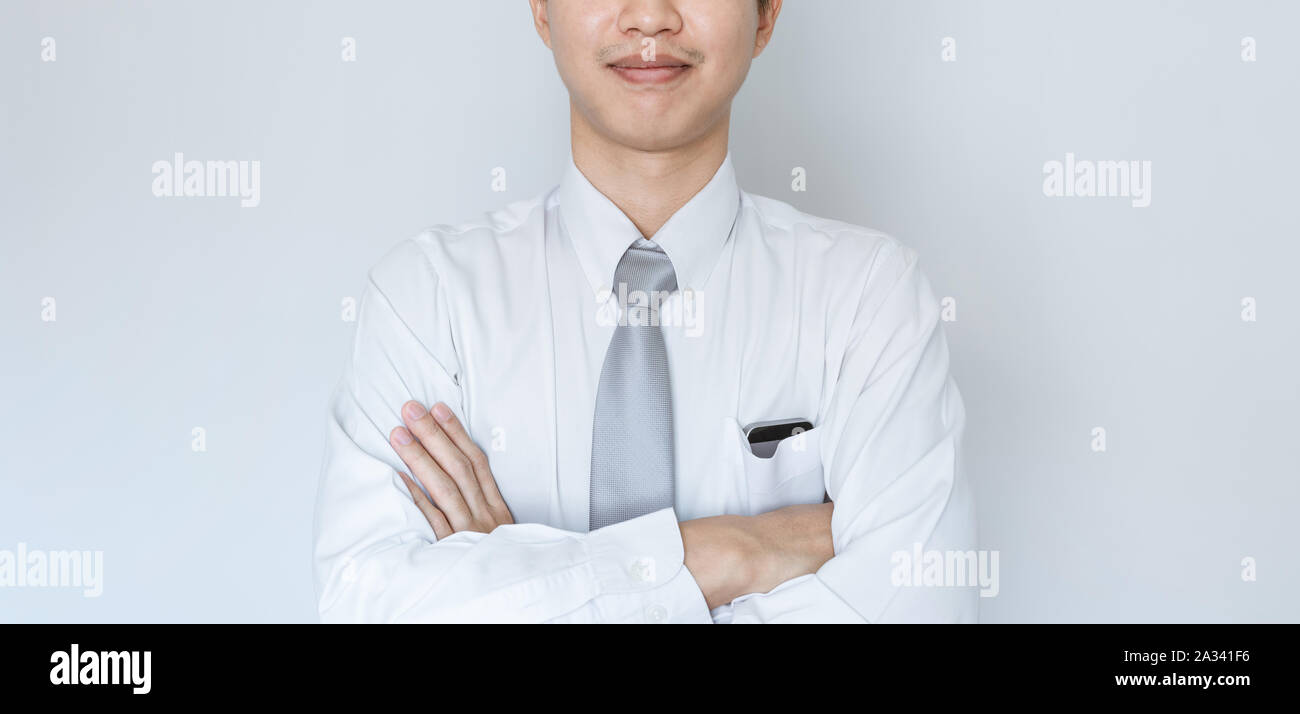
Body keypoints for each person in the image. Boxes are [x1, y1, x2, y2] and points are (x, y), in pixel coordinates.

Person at [313, 0, 976, 623]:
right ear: (542, 8)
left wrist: (526, 582)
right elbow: (365, 605)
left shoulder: (869, 297)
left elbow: (917, 605)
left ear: (767, 12)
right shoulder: (428, 301)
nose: (651, 16)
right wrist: (731, 553)